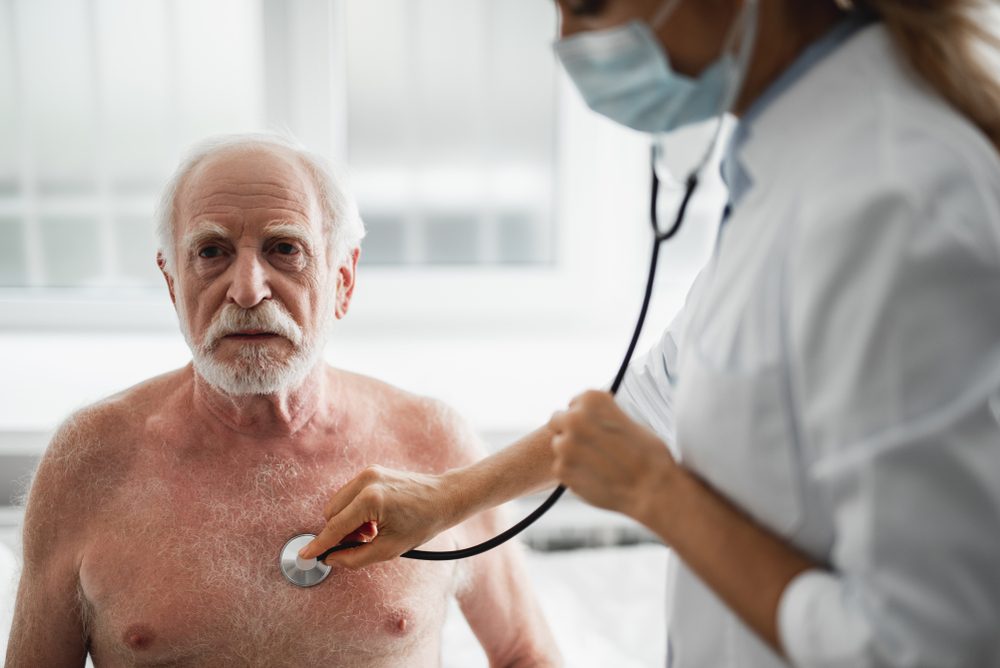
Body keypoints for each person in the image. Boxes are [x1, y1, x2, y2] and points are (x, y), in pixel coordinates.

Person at [299, 1, 1000, 666]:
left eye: (592, 6)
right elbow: (662, 393)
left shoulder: (890, 203)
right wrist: (446, 500)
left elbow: (926, 644)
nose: (570, 46)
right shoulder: (789, 171)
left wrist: (658, 496)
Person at [5, 134, 560, 667]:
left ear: (343, 280)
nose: (247, 290)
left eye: (285, 249)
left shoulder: (432, 440)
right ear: (173, 283)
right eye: (212, 252)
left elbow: (524, 655)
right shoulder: (89, 460)